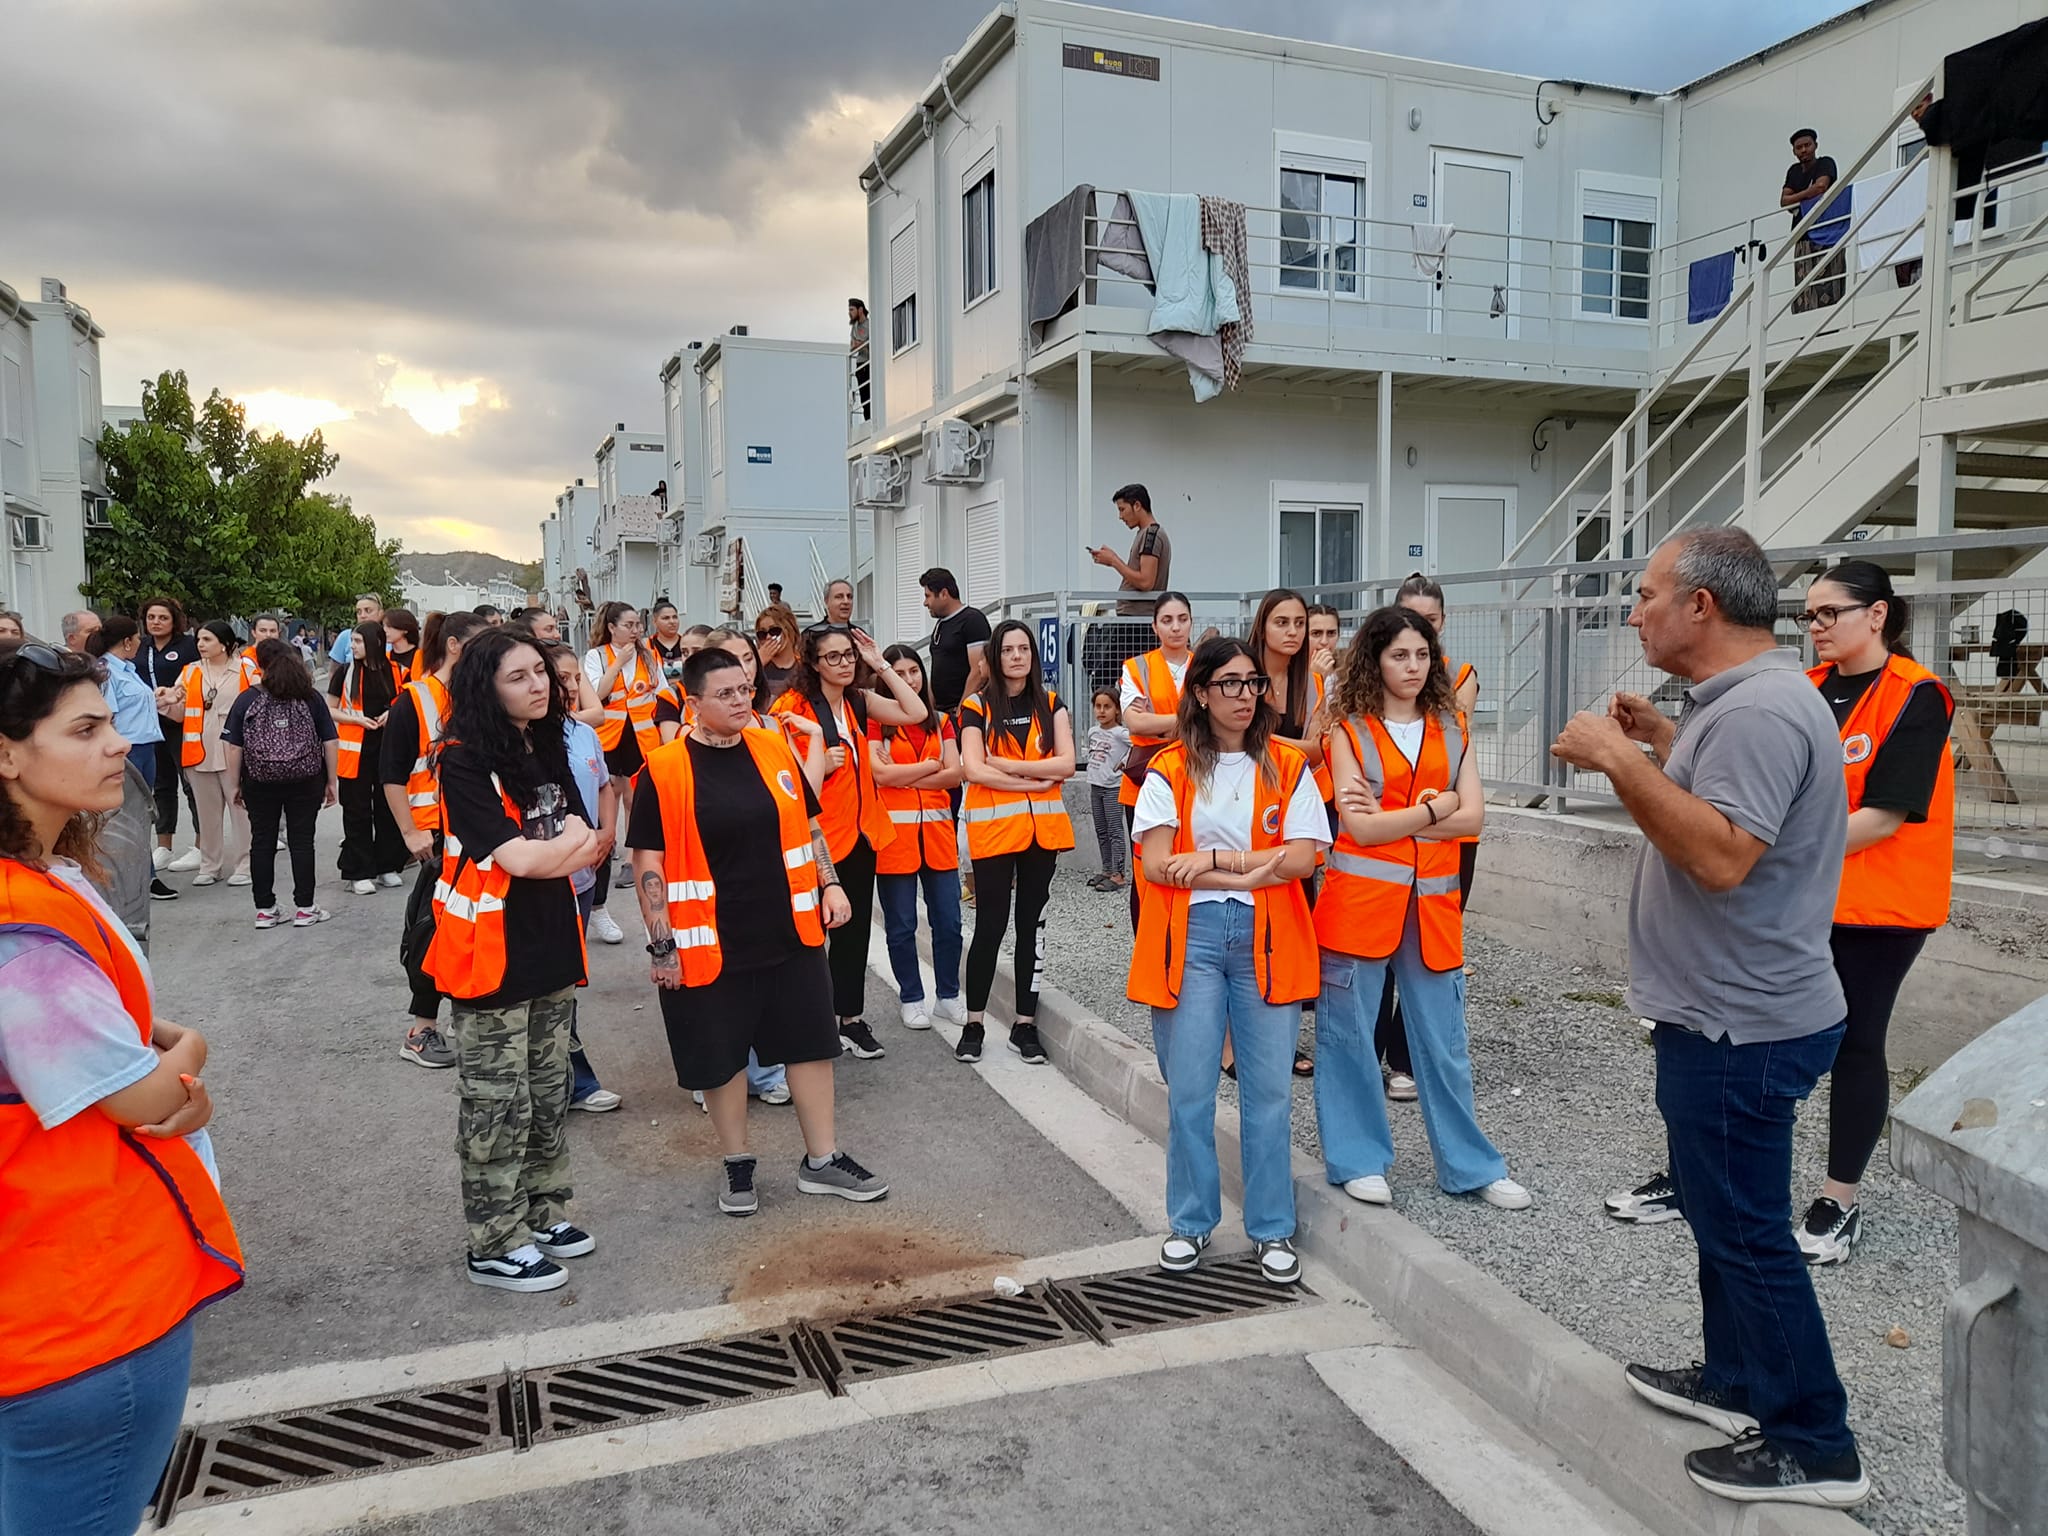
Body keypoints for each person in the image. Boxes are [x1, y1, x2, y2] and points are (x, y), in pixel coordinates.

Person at [1549, 527, 1866, 1509]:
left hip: (1741, 1025)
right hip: (1723, 1015)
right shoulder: (1739, 706)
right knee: (1720, 1215)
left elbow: (1724, 855)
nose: (1632, 610)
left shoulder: (1763, 710)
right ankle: (1736, 1382)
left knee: (1744, 1232)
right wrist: (1662, 747)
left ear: (1699, 608)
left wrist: (1615, 761)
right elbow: (1737, 810)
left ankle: (1813, 1440)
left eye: (1644, 594)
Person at [1605, 561, 1953, 1270]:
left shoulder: (1916, 696)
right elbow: (1747, 790)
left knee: (1855, 1043)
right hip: (1794, 894)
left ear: (1878, 615)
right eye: (1810, 615)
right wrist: (1666, 736)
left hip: (1875, 906)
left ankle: (1836, 1201)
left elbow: (1879, 816)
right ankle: (1696, 1178)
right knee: (1715, 1038)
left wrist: (1763, 846)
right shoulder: (1803, 690)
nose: (1816, 628)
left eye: (1831, 614)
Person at [0, 640, 243, 1535]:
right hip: (78, 1299)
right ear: (6, 754)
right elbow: (137, 1097)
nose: (118, 744)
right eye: (87, 728)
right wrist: (191, 1055)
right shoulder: (24, 922)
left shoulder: (47, 879)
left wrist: (150, 1056)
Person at [629, 646, 890, 1217]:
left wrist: (831, 884)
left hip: (790, 930)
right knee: (720, 1056)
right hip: (710, 942)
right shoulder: (666, 769)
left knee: (810, 1044)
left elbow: (809, 823)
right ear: (692, 704)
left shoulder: (774, 747)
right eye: (725, 694)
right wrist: (662, 943)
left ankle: (822, 1160)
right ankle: (737, 1163)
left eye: (745, 689)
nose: (741, 700)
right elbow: (648, 861)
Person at [1312, 604, 1527, 1213]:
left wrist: (1398, 817)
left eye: (1422, 654)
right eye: (1398, 654)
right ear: (1374, 660)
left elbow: (1476, 817)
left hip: (1430, 907)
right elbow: (1360, 826)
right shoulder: (1346, 728)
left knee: (1444, 1041)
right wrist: (1437, 810)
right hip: (1360, 904)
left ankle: (1469, 1166)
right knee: (1349, 1037)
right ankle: (1357, 1159)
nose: (1412, 665)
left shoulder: (1453, 724)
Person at [1130, 637, 1327, 1284]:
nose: (1246, 696)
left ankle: (1272, 1228)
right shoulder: (1169, 769)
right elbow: (1159, 864)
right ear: (1202, 693)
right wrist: (1256, 870)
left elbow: (1300, 859)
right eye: (1232, 684)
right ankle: (1190, 1221)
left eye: (1254, 684)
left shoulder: (1288, 765)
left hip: (1269, 939)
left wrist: (1218, 863)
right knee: (1190, 1090)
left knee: (1268, 1093)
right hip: (1191, 940)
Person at [423, 627, 601, 1293]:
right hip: (489, 959)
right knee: (497, 1104)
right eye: (519, 677)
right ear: (485, 689)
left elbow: (587, 838)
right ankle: (494, 1241)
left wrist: (556, 851)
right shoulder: (464, 759)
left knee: (549, 1092)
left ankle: (542, 1212)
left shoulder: (548, 742)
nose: (538, 686)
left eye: (541, 673)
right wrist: (558, 851)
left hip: (551, 945)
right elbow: (521, 856)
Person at [770, 624, 927, 1059]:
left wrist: (879, 664)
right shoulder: (793, 707)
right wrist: (821, 759)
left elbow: (914, 712)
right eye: (833, 657)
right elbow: (786, 779)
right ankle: (808, 1023)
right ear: (812, 662)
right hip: (817, 838)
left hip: (860, 835)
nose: (844, 664)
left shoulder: (858, 700)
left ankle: (850, 1020)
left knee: (854, 934)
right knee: (810, 937)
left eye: (848, 656)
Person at [1376, 573, 1483, 1100]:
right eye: (1411, 621)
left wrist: (1404, 814)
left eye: (1431, 622)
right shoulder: (1369, 691)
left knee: (1430, 952)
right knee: (1379, 946)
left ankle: (1406, 1057)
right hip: (1392, 847)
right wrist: (1433, 807)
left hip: (1444, 847)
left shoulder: (1459, 675)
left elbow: (1460, 786)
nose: (1422, 632)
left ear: (1443, 623)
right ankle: (1372, 1048)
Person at [958, 618, 1077, 1066]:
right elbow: (973, 768)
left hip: (1041, 835)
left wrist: (1005, 768)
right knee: (990, 925)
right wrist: (1031, 780)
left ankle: (1024, 1025)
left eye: (1023, 648)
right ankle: (974, 1023)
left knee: (1032, 927)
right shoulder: (976, 706)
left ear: (1033, 654)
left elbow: (1066, 764)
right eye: (1007, 650)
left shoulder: (1051, 703)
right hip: (993, 834)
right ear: (995, 656)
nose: (1016, 656)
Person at [383, 611, 489, 1069]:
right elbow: (390, 773)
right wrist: (410, 831)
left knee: (475, 927)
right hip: (436, 836)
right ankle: (421, 1029)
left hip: (481, 833)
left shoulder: (480, 697)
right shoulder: (417, 700)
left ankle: (467, 1019)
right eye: (482, 645)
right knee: (431, 929)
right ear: (452, 646)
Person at [869, 644, 966, 1029]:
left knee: (950, 922)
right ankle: (911, 996)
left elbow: (956, 773)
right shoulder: (876, 722)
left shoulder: (940, 720)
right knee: (902, 925)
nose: (909, 679)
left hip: (939, 836)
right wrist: (930, 767)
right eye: (900, 672)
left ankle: (948, 995)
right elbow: (880, 775)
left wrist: (909, 773)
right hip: (895, 838)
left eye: (914, 671)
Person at [544, 644, 623, 1114]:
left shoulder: (581, 732)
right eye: (561, 677)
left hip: (583, 876)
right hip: (547, 881)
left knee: (567, 983)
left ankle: (567, 1082)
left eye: (575, 678)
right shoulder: (524, 740)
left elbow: (604, 787)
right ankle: (571, 1084)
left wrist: (607, 832)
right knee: (555, 986)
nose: (571, 686)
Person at [223, 638, 338, 929]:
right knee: (302, 842)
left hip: (259, 780)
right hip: (306, 778)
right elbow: (330, 740)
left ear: (262, 667)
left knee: (261, 842)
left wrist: (234, 784)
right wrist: (332, 779)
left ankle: (265, 909)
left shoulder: (248, 698)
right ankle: (305, 907)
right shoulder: (310, 697)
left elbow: (234, 746)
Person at [582, 601, 668, 945]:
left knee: (636, 794)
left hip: (642, 736)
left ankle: (631, 858)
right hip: (608, 736)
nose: (636, 630)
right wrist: (618, 663)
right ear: (613, 627)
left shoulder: (650, 655)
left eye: (638, 624)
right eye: (629, 624)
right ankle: (607, 843)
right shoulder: (596, 656)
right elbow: (596, 696)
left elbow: (661, 692)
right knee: (609, 793)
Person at [1118, 591, 1194, 926]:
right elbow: (1136, 722)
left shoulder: (1206, 665)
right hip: (1143, 782)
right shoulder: (1136, 667)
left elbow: (1148, 721)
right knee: (1145, 871)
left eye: (1182, 619)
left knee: (1189, 863)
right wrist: (1191, 721)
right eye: (1167, 620)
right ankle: (1147, 950)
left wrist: (1158, 723)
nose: (1175, 627)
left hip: (1195, 781)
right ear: (1154, 626)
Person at [328, 620, 407, 894]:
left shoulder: (397, 671)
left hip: (388, 748)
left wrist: (392, 714)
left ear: (374, 642)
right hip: (355, 752)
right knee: (357, 811)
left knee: (388, 809)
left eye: (358, 641)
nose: (352, 646)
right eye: (352, 641)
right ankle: (358, 871)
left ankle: (387, 866)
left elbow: (407, 703)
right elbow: (330, 709)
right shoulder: (346, 673)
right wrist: (356, 719)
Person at [177, 622, 254, 887]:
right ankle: (210, 866)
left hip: (236, 748)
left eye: (207, 639)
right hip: (200, 749)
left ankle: (245, 864)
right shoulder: (190, 672)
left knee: (241, 809)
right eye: (199, 639)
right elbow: (179, 712)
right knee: (207, 812)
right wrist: (166, 703)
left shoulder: (246, 669)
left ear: (224, 643)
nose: (200, 644)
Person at [1085, 482, 1172, 687]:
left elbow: (1146, 581)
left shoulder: (1151, 535)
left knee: (1105, 680)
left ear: (1137, 505)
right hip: (1134, 619)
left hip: (1137, 621)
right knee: (1128, 679)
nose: (1121, 516)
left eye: (1123, 509)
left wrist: (1114, 561)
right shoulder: (1146, 534)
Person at [141, 596, 201, 883]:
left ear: (174, 620)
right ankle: (164, 845)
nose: (156, 622)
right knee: (161, 785)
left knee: (190, 782)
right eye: (151, 617)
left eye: (162, 617)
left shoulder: (188, 647)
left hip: (182, 722)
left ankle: (202, 845)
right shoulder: (142, 648)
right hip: (152, 724)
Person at [87, 617, 163, 789]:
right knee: (129, 806)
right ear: (127, 641)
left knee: (144, 805)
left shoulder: (128, 669)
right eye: (137, 638)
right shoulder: (105, 670)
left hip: (146, 746)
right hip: (128, 748)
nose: (140, 643)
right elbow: (107, 714)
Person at [1783, 128, 1846, 312]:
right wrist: (1807, 195)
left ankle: (1829, 329)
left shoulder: (1826, 163)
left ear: (1815, 146)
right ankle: (1806, 331)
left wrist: (1798, 197)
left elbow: (1821, 187)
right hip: (1803, 236)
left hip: (1828, 231)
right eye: (1799, 147)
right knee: (1805, 290)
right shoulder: (1794, 171)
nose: (1803, 150)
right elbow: (1783, 201)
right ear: (1794, 151)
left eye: (1807, 145)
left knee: (1830, 285)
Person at [920, 567, 991, 715]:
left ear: (944, 594)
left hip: (961, 711)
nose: (925, 603)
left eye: (928, 596)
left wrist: (961, 712)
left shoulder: (972, 620)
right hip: (941, 713)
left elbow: (978, 672)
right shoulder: (940, 624)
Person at [1084, 687, 1131, 891]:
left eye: (1107, 707)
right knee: (1101, 830)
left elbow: (1137, 745)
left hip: (1113, 787)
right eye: (1098, 706)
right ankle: (1106, 869)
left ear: (1117, 710)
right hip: (1096, 785)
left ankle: (1119, 874)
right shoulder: (1093, 731)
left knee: (1115, 831)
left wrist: (1124, 762)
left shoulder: (1121, 733)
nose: (1102, 711)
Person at [754, 604, 802, 701]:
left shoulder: (804, 667)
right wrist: (757, 664)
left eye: (774, 631)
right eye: (762, 634)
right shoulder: (756, 667)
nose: (768, 637)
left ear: (789, 630)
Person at [330, 593, 386, 665]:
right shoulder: (345, 636)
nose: (363, 616)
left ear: (380, 613)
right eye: (359, 612)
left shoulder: (389, 637)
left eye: (368, 611)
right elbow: (333, 671)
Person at [648, 600, 687, 682]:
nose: (672, 622)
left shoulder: (686, 643)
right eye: (666, 618)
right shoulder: (646, 646)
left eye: (675, 617)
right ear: (655, 622)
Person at [384, 608, 421, 685]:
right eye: (384, 626)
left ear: (405, 629)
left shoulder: (422, 657)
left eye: (389, 626)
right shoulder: (385, 658)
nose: (385, 630)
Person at [848, 298, 871, 420]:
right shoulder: (854, 327)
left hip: (869, 364)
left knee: (870, 396)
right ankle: (868, 419)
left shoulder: (870, 325)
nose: (849, 313)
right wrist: (863, 343)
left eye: (852, 309)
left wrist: (860, 343)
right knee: (864, 398)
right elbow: (852, 346)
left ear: (860, 309)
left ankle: (871, 418)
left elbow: (872, 345)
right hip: (860, 364)